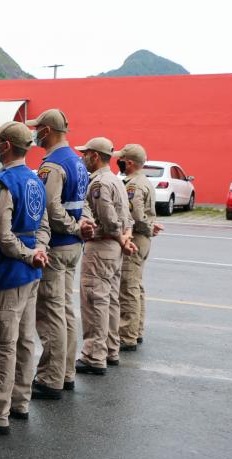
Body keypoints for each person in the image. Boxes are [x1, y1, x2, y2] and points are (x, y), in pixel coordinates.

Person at [0, 122, 50, 435]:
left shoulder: (1, 183)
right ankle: (19, 400)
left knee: (1, 344)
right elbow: (43, 225)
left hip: (8, 272)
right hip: (30, 270)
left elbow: (0, 235)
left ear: (5, 146)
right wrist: (38, 251)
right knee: (24, 339)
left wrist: (29, 254)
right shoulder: (35, 179)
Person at [27, 109, 96, 399]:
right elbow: (81, 204)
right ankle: (65, 373)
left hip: (57, 245)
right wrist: (82, 226)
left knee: (51, 313)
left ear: (47, 130)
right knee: (65, 310)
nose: (35, 134)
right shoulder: (77, 162)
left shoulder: (53, 165)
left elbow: (51, 209)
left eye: (37, 129)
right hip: (73, 246)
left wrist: (75, 227)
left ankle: (50, 378)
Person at [75, 138, 137, 375]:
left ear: (94, 156)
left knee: (95, 301)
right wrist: (125, 238)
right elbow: (127, 219)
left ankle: (94, 355)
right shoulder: (116, 181)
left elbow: (109, 221)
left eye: (86, 154)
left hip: (102, 246)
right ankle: (110, 349)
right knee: (110, 300)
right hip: (114, 249)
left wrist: (120, 238)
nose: (83, 157)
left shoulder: (99, 183)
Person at [116, 144, 163, 350]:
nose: (118, 163)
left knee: (128, 287)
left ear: (129, 163)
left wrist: (148, 227)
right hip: (142, 238)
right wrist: (150, 226)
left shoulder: (133, 185)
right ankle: (136, 330)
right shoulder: (143, 181)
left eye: (121, 160)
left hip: (135, 238)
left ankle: (127, 335)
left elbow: (135, 216)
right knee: (136, 286)